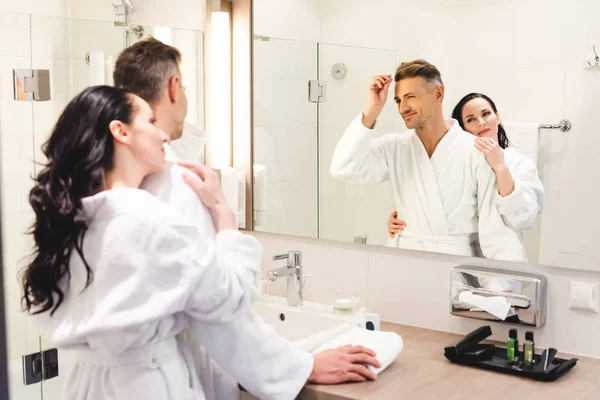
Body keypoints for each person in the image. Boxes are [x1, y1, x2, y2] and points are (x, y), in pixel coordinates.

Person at [113, 38, 380, 399]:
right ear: (174, 87)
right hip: (159, 379)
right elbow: (220, 314)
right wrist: (304, 365)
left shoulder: (101, 184)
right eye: (186, 88)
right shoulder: (178, 185)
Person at [21, 85, 265, 399]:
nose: (164, 135)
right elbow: (232, 296)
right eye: (150, 122)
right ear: (120, 131)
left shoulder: (72, 220)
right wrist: (222, 212)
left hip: (86, 385)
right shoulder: (150, 221)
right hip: (146, 385)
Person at [330, 59, 525, 261]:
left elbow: (495, 232)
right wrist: (372, 109)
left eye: (410, 97)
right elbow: (344, 168)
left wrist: (502, 287)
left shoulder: (475, 151)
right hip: (402, 260)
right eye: (398, 100)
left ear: (438, 94)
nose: (403, 108)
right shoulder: (394, 148)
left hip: (451, 264)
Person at [388, 93, 544, 240]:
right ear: (462, 129)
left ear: (497, 117)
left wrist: (501, 168)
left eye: (486, 114)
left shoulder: (519, 164)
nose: (481, 122)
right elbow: (436, 207)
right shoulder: (454, 164)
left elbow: (523, 219)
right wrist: (402, 220)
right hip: (461, 254)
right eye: (470, 120)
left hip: (502, 259)